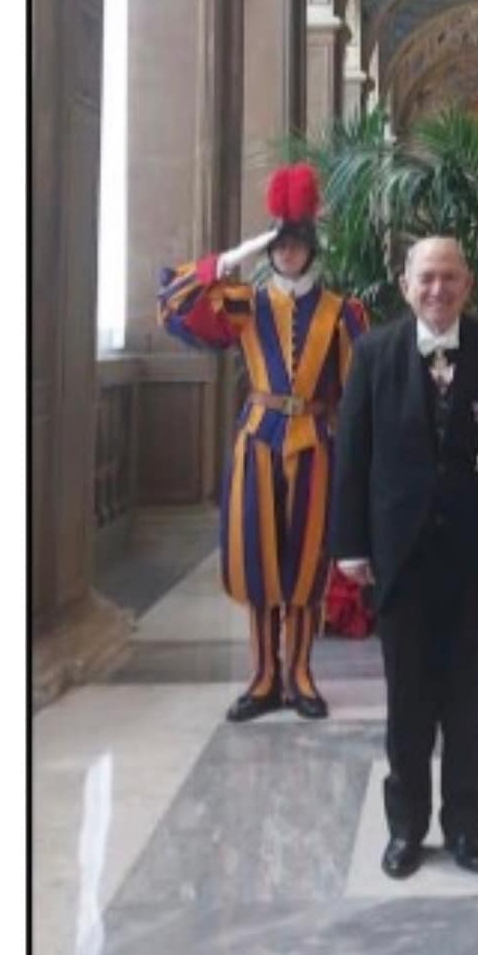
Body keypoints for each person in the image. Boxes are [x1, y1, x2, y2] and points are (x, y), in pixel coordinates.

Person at [331, 238, 478, 881]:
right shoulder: (373, 354)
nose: (438, 289)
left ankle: (465, 828)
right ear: (406, 285)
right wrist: (350, 545)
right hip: (401, 560)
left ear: (468, 284)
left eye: (450, 277)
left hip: (475, 559)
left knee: (466, 703)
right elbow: (352, 458)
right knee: (408, 706)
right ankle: (406, 828)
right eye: (426, 277)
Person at [157, 165, 367, 722]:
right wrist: (232, 258)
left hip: (316, 443)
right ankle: (263, 675)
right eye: (279, 245)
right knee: (258, 563)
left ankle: (300, 673)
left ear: (311, 247)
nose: (288, 253)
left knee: (306, 563)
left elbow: (360, 392)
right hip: (257, 443)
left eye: (296, 244)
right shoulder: (244, 303)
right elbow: (175, 306)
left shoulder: (343, 312)